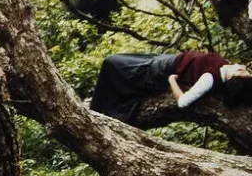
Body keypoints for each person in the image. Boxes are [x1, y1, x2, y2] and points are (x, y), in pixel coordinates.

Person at [89, 50, 252, 124]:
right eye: (245, 69)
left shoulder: (209, 79)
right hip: (167, 59)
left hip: (160, 69)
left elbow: (183, 102)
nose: (242, 66)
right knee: (118, 63)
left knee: (112, 63)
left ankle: (96, 109)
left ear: (231, 77)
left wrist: (172, 80)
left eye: (241, 70)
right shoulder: (224, 67)